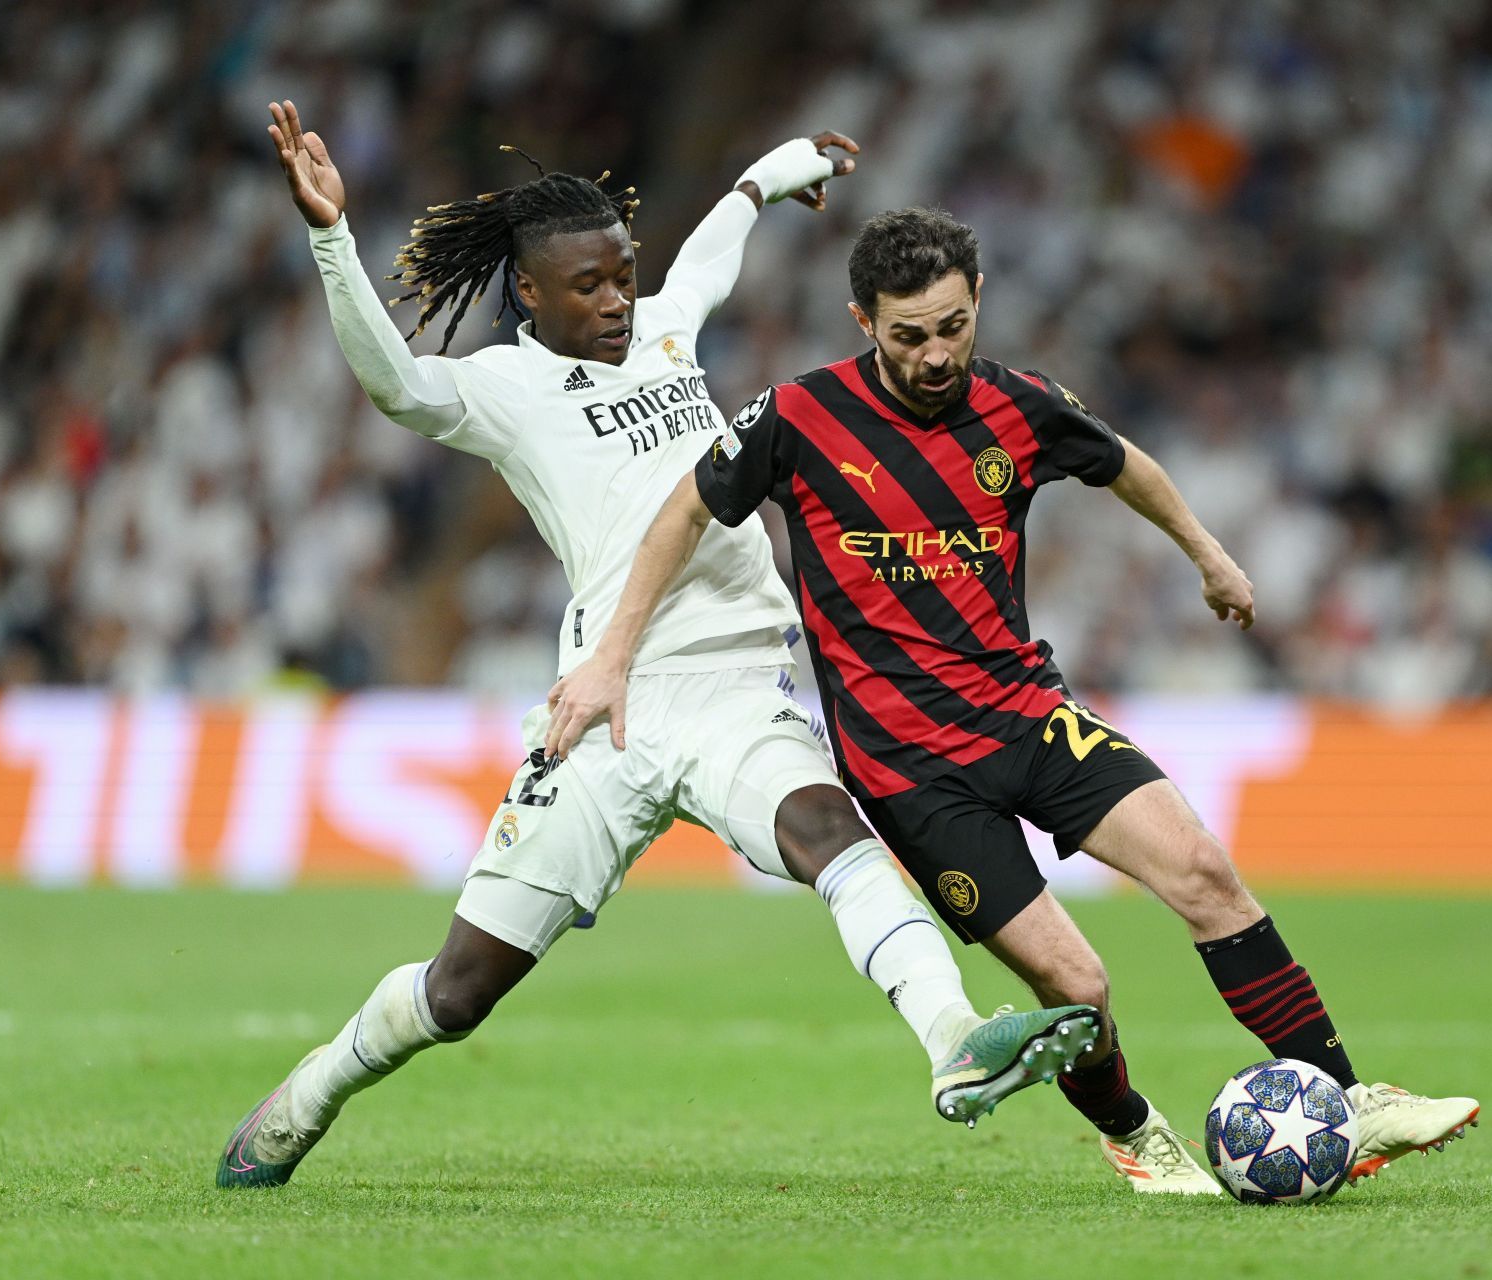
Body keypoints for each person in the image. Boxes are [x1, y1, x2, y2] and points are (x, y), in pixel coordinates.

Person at [215, 107, 1098, 1190]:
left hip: (743, 682)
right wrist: (331, 237)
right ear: (528, 294)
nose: (616, 299)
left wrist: (773, 173)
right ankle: (308, 1095)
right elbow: (396, 382)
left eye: (621, 274)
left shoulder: (667, 326)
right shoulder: (506, 390)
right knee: (458, 991)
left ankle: (954, 1037)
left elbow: (711, 250)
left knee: (826, 827)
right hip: (607, 700)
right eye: (586, 285)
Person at [547, 207, 1481, 1195]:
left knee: (1207, 873)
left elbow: (1129, 466)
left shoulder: (1020, 407)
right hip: (912, 774)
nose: (936, 352)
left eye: (952, 326)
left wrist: (1211, 557)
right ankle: (1132, 1131)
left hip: (1029, 718)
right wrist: (613, 654)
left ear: (977, 301)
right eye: (909, 334)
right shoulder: (798, 417)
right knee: (1078, 990)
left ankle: (1348, 1093)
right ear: (862, 318)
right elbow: (683, 511)